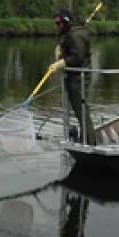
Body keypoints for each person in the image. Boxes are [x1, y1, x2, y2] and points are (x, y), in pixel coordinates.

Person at [49, 9, 96, 145]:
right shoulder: (70, 33)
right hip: (74, 76)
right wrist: (60, 52)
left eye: (58, 23)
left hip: (79, 77)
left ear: (65, 22)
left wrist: (61, 63)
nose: (57, 26)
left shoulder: (76, 35)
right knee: (79, 108)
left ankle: (89, 141)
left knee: (81, 109)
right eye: (55, 24)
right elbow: (70, 51)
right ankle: (86, 137)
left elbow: (77, 57)